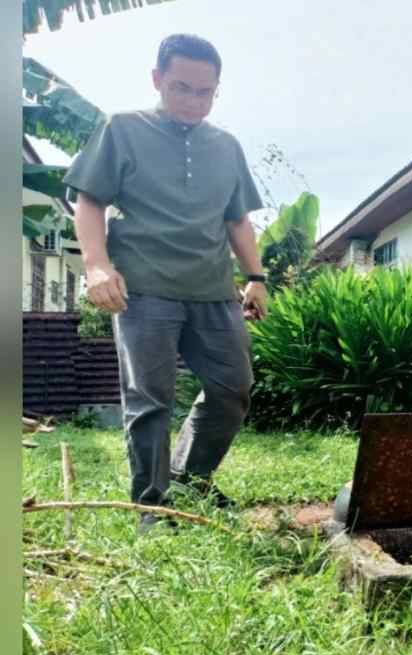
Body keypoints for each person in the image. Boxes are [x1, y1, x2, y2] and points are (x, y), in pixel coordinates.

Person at [64, 34, 268, 534]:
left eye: (205, 92)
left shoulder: (226, 146)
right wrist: (96, 265)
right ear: (157, 79)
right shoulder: (123, 129)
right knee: (149, 399)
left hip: (214, 288)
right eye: (181, 88)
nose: (194, 101)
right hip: (145, 288)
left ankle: (189, 478)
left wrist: (256, 276)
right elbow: (89, 202)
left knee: (232, 387)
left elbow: (237, 218)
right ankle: (153, 508)